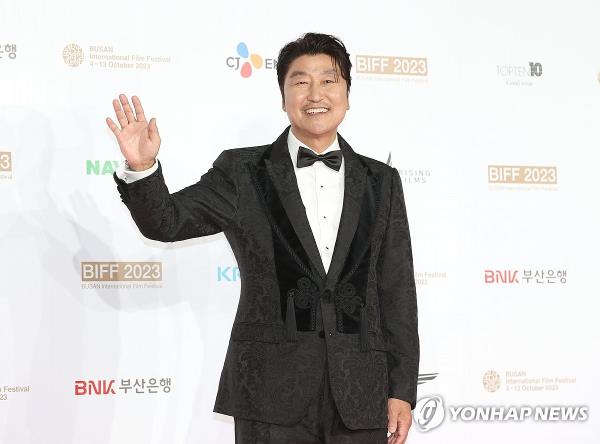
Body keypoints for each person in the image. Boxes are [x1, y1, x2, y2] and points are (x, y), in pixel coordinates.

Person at [107, 32, 419, 444]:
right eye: (300, 81)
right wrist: (144, 166)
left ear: (346, 93)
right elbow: (166, 222)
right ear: (283, 96)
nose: (315, 93)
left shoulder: (382, 181)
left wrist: (401, 389)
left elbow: (396, 288)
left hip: (360, 392)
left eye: (329, 80)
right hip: (271, 392)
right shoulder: (243, 172)